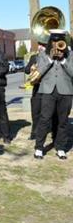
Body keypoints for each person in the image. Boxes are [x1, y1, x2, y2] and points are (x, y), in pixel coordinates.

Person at [33, 29, 73, 160]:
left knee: (63, 121)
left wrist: (63, 61)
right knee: (44, 119)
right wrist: (50, 59)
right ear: (50, 41)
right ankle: (39, 147)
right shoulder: (43, 54)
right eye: (54, 41)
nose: (56, 44)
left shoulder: (70, 54)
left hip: (66, 91)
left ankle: (60, 147)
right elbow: (38, 72)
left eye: (59, 41)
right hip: (47, 91)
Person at [25, 42, 58, 141]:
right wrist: (30, 68)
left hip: (49, 89)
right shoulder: (34, 57)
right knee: (35, 112)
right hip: (37, 88)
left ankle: (53, 132)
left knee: (51, 112)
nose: (40, 47)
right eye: (39, 44)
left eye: (43, 45)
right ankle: (34, 132)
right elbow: (26, 70)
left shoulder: (52, 57)